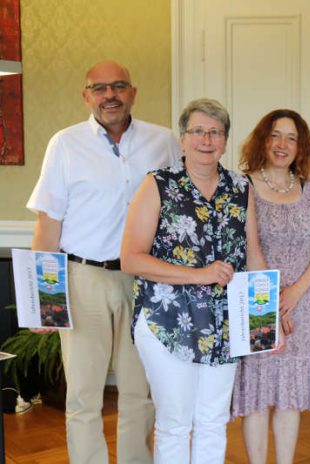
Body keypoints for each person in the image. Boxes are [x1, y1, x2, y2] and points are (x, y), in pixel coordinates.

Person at [26, 60, 180, 464]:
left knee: (138, 390)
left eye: (118, 86)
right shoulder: (65, 144)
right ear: (86, 95)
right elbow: (48, 222)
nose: (108, 95)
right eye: (99, 88)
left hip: (144, 282)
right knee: (83, 393)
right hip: (82, 280)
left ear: (133, 92)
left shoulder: (164, 142)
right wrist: (46, 300)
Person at [120, 98, 266, 463]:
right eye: (198, 131)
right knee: (174, 423)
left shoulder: (240, 186)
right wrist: (200, 275)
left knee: (214, 420)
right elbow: (131, 258)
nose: (206, 139)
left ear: (225, 140)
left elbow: (253, 255)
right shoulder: (158, 184)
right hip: (165, 321)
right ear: (183, 139)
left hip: (227, 322)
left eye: (215, 132)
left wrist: (267, 318)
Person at [231, 109, 310, 464]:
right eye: (275, 135)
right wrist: (272, 304)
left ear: (300, 146)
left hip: (300, 305)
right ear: (263, 139)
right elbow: (247, 247)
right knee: (257, 395)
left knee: (290, 395)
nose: (282, 144)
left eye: (291, 138)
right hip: (257, 303)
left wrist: (295, 293)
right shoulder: (243, 186)